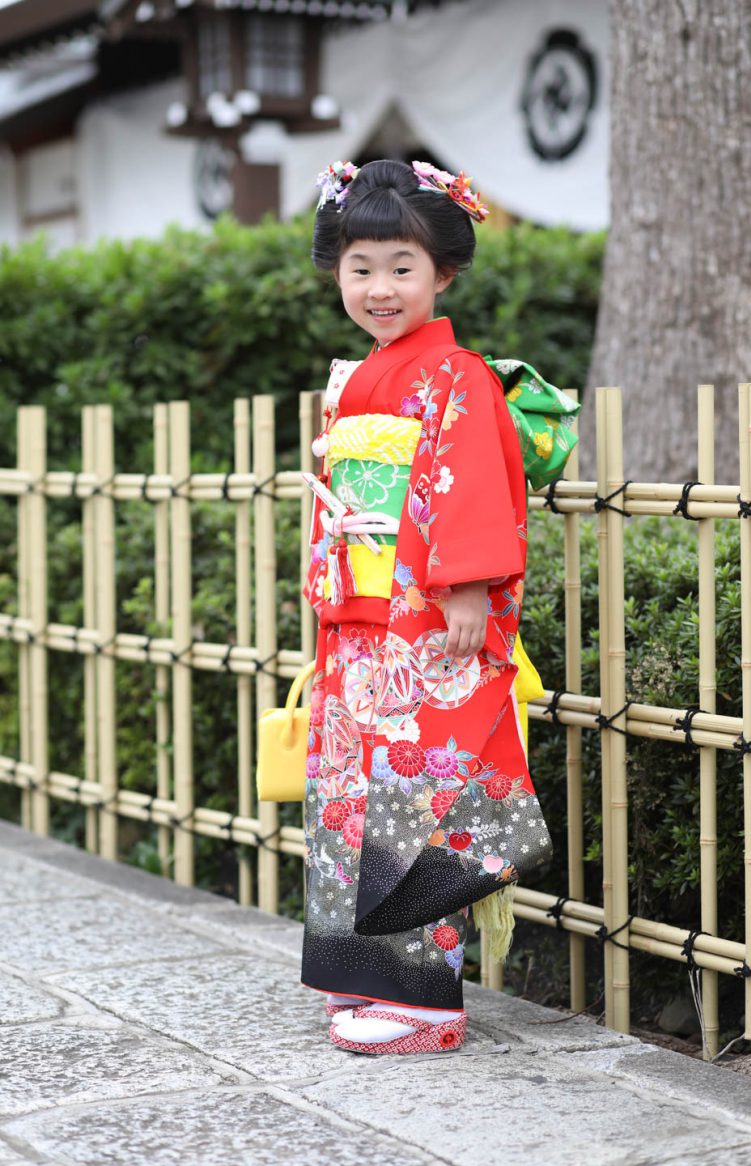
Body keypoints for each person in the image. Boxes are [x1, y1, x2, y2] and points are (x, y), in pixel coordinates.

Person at [300, 158, 562, 1056]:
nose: (380, 288)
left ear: (442, 273)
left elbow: (474, 483)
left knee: (419, 801)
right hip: (365, 623)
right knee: (351, 796)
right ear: (335, 268)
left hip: (424, 622)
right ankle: (360, 973)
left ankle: (426, 1006)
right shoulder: (365, 376)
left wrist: (467, 585)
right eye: (360, 266)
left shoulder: (459, 375)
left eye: (401, 268)